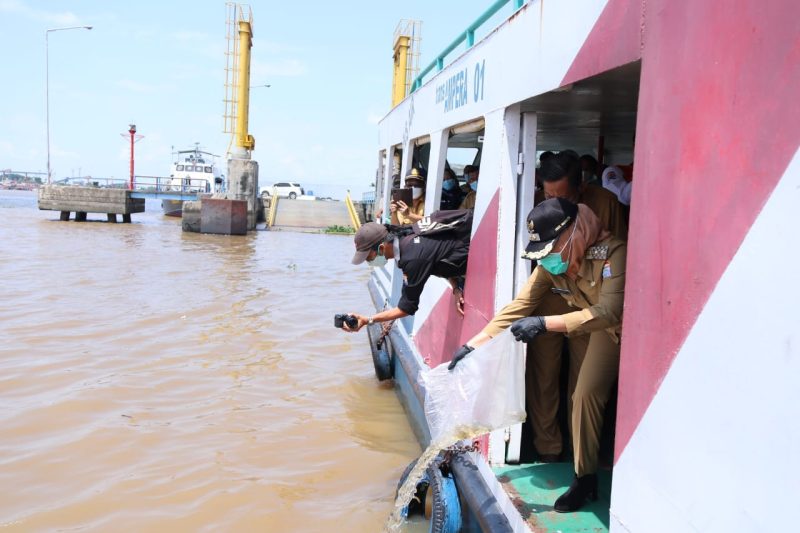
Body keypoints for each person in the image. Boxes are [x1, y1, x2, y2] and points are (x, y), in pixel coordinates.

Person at [450, 198, 626, 513]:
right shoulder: (551, 263)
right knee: (583, 395)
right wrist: (473, 344)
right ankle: (584, 479)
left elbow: (610, 311)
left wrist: (545, 324)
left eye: (550, 246)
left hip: (625, 330)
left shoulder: (614, 253)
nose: (546, 257)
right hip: (605, 335)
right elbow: (520, 305)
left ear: (575, 232)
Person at [343, 220, 470, 328]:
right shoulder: (410, 233)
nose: (368, 261)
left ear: (381, 248)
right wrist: (455, 287)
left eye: (368, 257)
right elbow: (441, 252)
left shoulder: (412, 259)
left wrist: (367, 320)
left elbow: (406, 309)